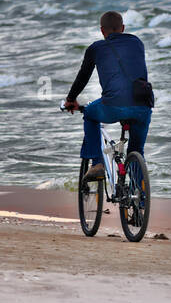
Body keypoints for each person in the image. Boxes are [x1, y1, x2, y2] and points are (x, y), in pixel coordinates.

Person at [62, 11, 153, 180]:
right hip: (143, 105)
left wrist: (70, 100)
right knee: (136, 151)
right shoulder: (137, 42)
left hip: (113, 105)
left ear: (102, 31)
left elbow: (83, 77)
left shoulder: (96, 48)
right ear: (123, 28)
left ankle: (97, 164)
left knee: (90, 113)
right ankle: (140, 201)